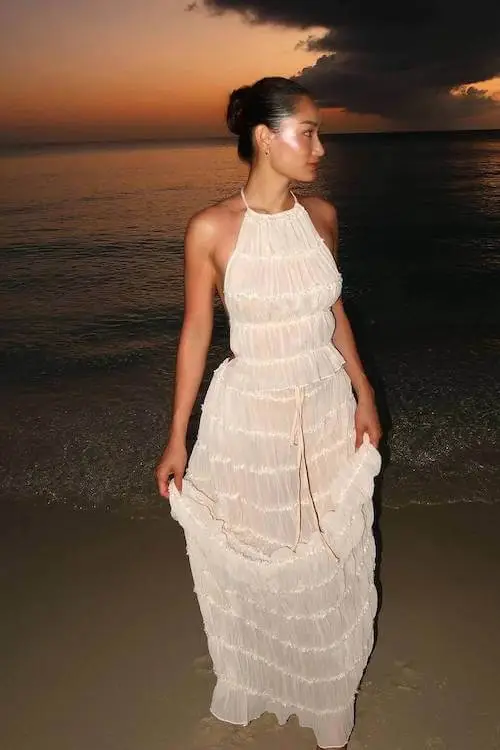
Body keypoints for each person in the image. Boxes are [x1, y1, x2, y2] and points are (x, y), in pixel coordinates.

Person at [156, 76, 382, 749]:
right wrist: (176, 436)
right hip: (251, 408)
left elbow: (332, 307)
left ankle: (326, 694)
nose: (319, 145)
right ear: (264, 137)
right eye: (306, 131)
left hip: (322, 398)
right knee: (263, 545)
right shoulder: (211, 229)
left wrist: (364, 392)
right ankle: (258, 677)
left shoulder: (323, 217)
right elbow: (196, 332)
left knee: (328, 549)